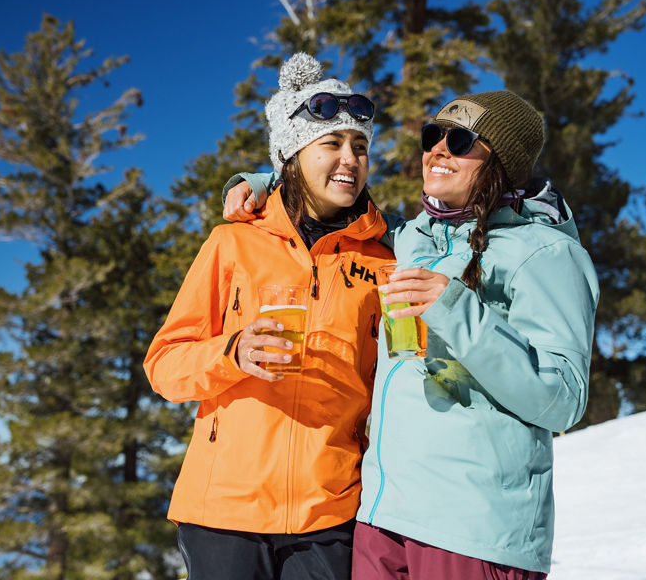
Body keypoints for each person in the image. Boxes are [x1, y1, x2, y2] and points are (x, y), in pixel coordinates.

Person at [222, 90, 599, 579]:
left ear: (502, 162)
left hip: (473, 527)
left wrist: (456, 310)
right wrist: (262, 181)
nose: (437, 150)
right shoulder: (411, 238)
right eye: (432, 136)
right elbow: (337, 194)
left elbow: (563, 399)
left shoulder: (545, 253)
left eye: (460, 140)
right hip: (383, 519)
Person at [143, 52, 393, 580]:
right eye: (331, 144)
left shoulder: (383, 261)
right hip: (224, 510)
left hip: (330, 510)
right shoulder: (232, 242)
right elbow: (164, 363)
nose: (349, 158)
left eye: (360, 145)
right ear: (292, 154)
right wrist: (232, 353)